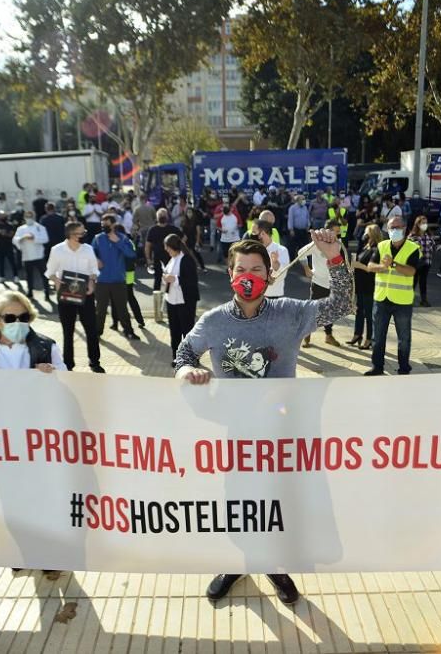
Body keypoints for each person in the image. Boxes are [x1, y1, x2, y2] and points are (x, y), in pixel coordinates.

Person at [174, 229, 350, 605]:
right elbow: (184, 353)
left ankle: (274, 566)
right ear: (230, 272)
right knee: (238, 502)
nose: (249, 276)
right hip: (237, 433)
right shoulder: (215, 320)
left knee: (278, 503)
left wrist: (334, 258)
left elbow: (341, 306)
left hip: (283, 434)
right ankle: (236, 563)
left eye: (257, 269)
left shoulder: (291, 313)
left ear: (269, 275)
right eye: (242, 269)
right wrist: (185, 372)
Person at [363, 215, 419, 376]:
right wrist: (382, 266)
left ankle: (403, 368)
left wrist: (393, 264)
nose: (394, 231)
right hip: (381, 299)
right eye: (391, 228)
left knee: (404, 338)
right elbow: (370, 266)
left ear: (405, 228)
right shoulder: (381, 246)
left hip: (402, 301)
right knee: (378, 337)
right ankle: (377, 367)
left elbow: (411, 271)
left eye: (397, 227)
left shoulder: (413, 248)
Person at [46, 221, 104, 373]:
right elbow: (50, 272)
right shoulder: (57, 250)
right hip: (65, 295)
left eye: (83, 232)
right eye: (80, 233)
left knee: (91, 329)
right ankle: (68, 364)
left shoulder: (88, 249)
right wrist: (56, 281)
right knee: (68, 330)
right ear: (70, 235)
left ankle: (94, 361)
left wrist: (92, 281)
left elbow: (93, 269)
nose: (83, 235)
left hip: (86, 295)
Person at [0, 291, 66, 373]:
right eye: (9, 318)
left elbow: (64, 378)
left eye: (24, 317)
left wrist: (51, 371)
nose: (18, 322)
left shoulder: (48, 348)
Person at [302, 219, 348, 347]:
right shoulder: (317, 243)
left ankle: (328, 335)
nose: (338, 235)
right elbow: (301, 253)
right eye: (336, 232)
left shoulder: (339, 243)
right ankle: (307, 333)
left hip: (332, 282)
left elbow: (342, 261)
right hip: (318, 282)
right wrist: (306, 268)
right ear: (328, 231)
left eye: (339, 232)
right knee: (313, 309)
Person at [93, 213, 138, 340]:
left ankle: (128, 331)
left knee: (122, 308)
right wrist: (96, 259)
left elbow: (131, 254)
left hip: (118, 280)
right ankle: (97, 333)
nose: (104, 226)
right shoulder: (97, 238)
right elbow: (90, 253)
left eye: (107, 224)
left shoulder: (122, 238)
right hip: (102, 280)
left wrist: (117, 242)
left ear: (113, 225)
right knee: (100, 309)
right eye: (102, 224)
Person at [162, 233, 200, 360]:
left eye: (167, 247)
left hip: (185, 301)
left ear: (173, 247)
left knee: (188, 331)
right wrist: (166, 278)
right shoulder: (172, 259)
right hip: (171, 300)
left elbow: (191, 281)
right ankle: (177, 357)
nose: (166, 250)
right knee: (174, 331)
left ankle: (192, 357)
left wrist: (174, 279)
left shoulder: (187, 259)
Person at [350, 224, 381, 349]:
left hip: (369, 285)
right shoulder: (365, 246)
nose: (364, 234)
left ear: (372, 234)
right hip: (360, 283)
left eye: (366, 232)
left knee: (368, 313)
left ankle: (369, 339)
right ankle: (357, 334)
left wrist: (358, 265)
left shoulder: (377, 248)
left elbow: (372, 268)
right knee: (359, 310)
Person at [14, 210, 50, 301]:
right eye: (27, 216)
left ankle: (47, 292)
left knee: (44, 275)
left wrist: (34, 238)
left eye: (30, 216)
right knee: (28, 276)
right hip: (27, 256)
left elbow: (45, 239)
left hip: (38, 256)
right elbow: (15, 239)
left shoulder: (40, 227)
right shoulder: (21, 229)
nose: (29, 218)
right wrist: (21, 239)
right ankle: (30, 292)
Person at [146, 209, 183, 289]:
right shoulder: (152, 230)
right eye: (160, 215)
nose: (162, 216)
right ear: (157, 217)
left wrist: (179, 251)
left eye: (164, 215)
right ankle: (157, 299)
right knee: (157, 279)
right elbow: (148, 245)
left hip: (171, 258)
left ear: (167, 217)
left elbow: (183, 238)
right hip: (157, 258)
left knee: (171, 278)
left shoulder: (173, 229)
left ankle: (169, 297)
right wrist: (148, 259)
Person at [255, 219, 290, 299]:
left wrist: (275, 264)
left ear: (263, 233)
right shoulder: (254, 250)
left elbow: (283, 274)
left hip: (273, 296)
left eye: (256, 234)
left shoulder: (281, 250)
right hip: (256, 296)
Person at [408, 214, 436, 307]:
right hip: (416, 263)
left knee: (423, 282)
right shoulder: (412, 235)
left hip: (427, 262)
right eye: (423, 223)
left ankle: (424, 300)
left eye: (426, 223)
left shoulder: (428, 235)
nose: (425, 225)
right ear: (418, 224)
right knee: (413, 281)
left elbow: (433, 246)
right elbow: (408, 248)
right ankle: (409, 299)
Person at [0, 212, 18, 282]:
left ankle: (16, 276)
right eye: (1, 216)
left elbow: (13, 235)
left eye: (4, 216)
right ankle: (2, 276)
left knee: (12, 262)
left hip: (9, 246)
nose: (3, 217)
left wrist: (5, 233)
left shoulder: (10, 225)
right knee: (0, 263)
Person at [180, 207, 207, 271]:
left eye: (190, 212)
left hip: (194, 239)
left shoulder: (196, 221)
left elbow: (198, 232)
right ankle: (189, 267)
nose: (189, 214)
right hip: (186, 240)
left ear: (193, 213)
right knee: (186, 254)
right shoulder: (184, 221)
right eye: (188, 212)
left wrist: (197, 242)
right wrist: (182, 240)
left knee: (196, 253)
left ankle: (202, 267)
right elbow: (183, 232)